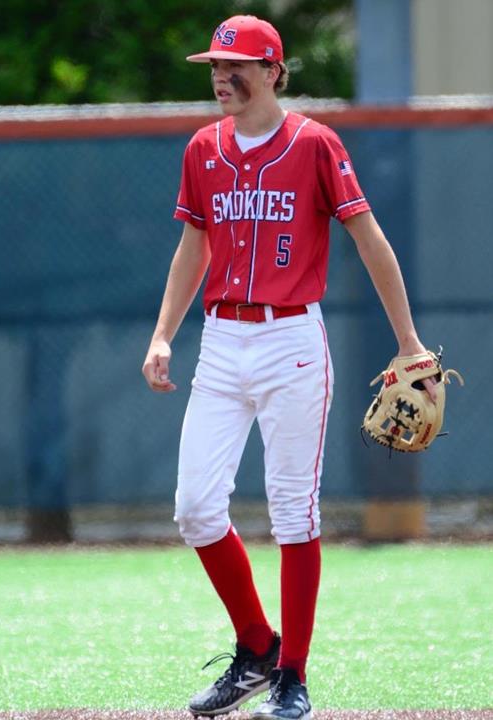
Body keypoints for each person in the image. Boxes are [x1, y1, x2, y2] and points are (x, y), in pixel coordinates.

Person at [142, 14, 436, 720]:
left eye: (235, 65)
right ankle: (256, 646)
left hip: (291, 344)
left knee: (293, 513)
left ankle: (292, 677)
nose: (221, 77)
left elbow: (370, 240)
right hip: (220, 341)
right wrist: (162, 335)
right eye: (214, 66)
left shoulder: (314, 145)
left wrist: (410, 343)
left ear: (274, 70)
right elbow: (193, 249)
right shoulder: (202, 149)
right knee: (195, 509)